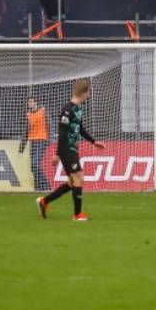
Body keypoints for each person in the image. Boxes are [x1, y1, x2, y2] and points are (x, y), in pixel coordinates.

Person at [36, 78, 106, 222]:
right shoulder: (67, 110)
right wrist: (56, 154)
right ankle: (78, 215)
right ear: (84, 92)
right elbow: (62, 133)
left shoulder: (78, 109)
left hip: (72, 148)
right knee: (78, 178)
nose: (89, 95)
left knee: (72, 182)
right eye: (88, 92)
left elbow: (80, 128)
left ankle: (44, 201)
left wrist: (94, 142)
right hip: (66, 148)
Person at [21, 97, 50, 192]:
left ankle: (46, 185)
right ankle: (38, 187)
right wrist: (22, 146)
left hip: (41, 140)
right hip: (32, 141)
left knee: (35, 163)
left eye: (31, 102)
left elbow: (50, 124)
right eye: (28, 102)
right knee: (32, 167)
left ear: (36, 103)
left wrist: (50, 139)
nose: (30, 104)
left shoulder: (43, 111)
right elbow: (25, 130)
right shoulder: (28, 115)